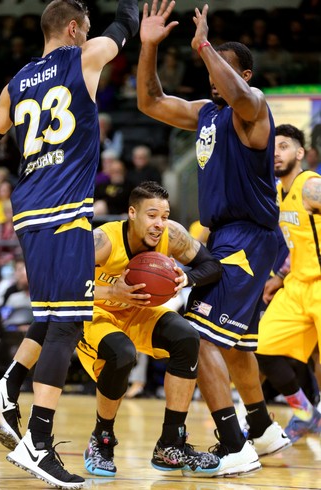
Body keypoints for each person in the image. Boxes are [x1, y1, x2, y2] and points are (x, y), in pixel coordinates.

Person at [0, 0, 140, 488]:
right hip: (64, 211)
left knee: (54, 313)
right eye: (88, 28)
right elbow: (126, 27)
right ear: (74, 28)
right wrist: (130, 9)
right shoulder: (85, 56)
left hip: (28, 211)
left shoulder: (15, 83)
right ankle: (38, 440)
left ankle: (6, 388)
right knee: (67, 324)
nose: (92, 34)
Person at [0, 181, 223, 478]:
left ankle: (171, 443)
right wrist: (114, 293)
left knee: (187, 337)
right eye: (152, 215)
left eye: (164, 215)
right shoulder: (103, 241)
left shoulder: (172, 235)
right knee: (122, 353)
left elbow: (212, 266)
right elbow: (60, 287)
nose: (159, 224)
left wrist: (185, 280)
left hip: (139, 311)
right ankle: (102, 438)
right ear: (132, 213)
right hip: (97, 312)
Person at [136, 1, 291, 477]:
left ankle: (233, 443)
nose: (210, 73)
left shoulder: (254, 107)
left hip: (247, 235)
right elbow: (150, 102)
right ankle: (262, 429)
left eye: (221, 64)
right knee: (238, 345)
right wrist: (147, 47)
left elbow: (242, 96)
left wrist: (205, 46)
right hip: (226, 235)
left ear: (242, 72)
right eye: (207, 62)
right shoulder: (207, 113)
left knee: (197, 336)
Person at [256, 124, 321, 443]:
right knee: (263, 348)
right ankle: (306, 412)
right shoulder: (279, 192)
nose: (276, 153)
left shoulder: (310, 186)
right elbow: (299, 242)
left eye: (284, 146)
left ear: (300, 153)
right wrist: (280, 277)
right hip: (296, 286)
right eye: (273, 147)